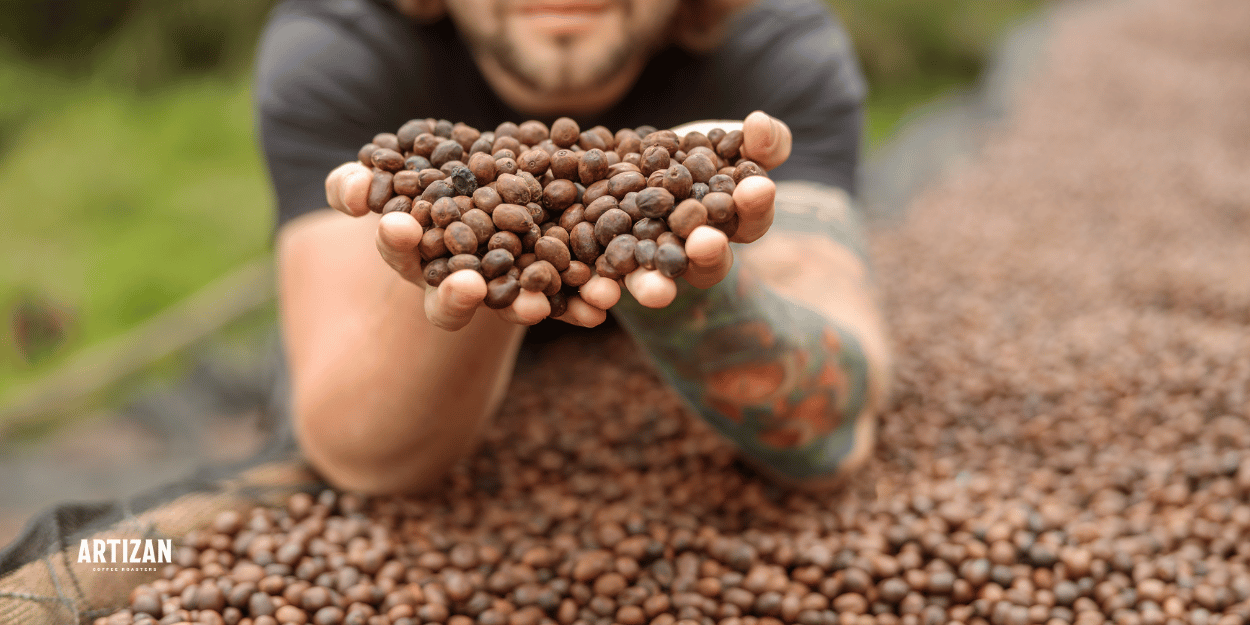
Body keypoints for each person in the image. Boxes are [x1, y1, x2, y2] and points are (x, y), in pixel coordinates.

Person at [255, 0, 892, 494]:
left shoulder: (775, 45)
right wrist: (456, 262)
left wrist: (674, 259)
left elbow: (835, 427)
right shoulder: (341, 49)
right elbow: (361, 453)